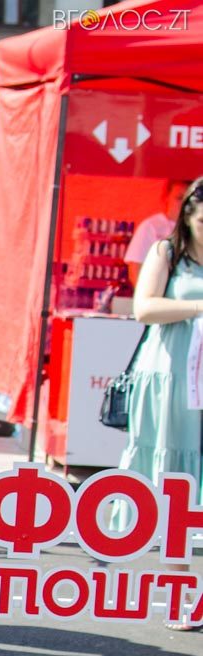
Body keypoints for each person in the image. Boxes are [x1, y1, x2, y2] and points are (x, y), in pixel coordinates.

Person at [116, 176, 203, 630]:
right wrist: (199, 307)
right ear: (188, 215)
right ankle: (179, 593)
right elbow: (144, 308)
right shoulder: (166, 252)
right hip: (171, 378)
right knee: (176, 483)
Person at [126, 180, 190, 286]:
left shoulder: (196, 228)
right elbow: (135, 267)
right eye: (179, 198)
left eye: (188, 199)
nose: (184, 203)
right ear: (166, 198)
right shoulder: (151, 226)